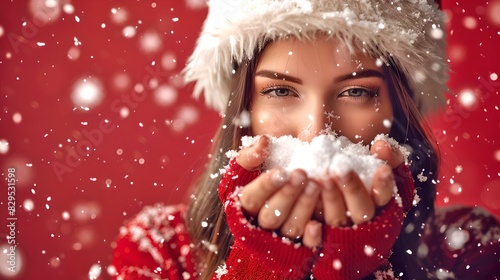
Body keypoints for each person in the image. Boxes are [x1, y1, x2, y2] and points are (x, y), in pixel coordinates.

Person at [111, 1, 500, 279]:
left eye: (356, 92)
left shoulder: (467, 249)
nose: (318, 133)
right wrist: (260, 270)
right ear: (243, 108)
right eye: (281, 91)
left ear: (398, 111)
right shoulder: (160, 252)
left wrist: (356, 267)